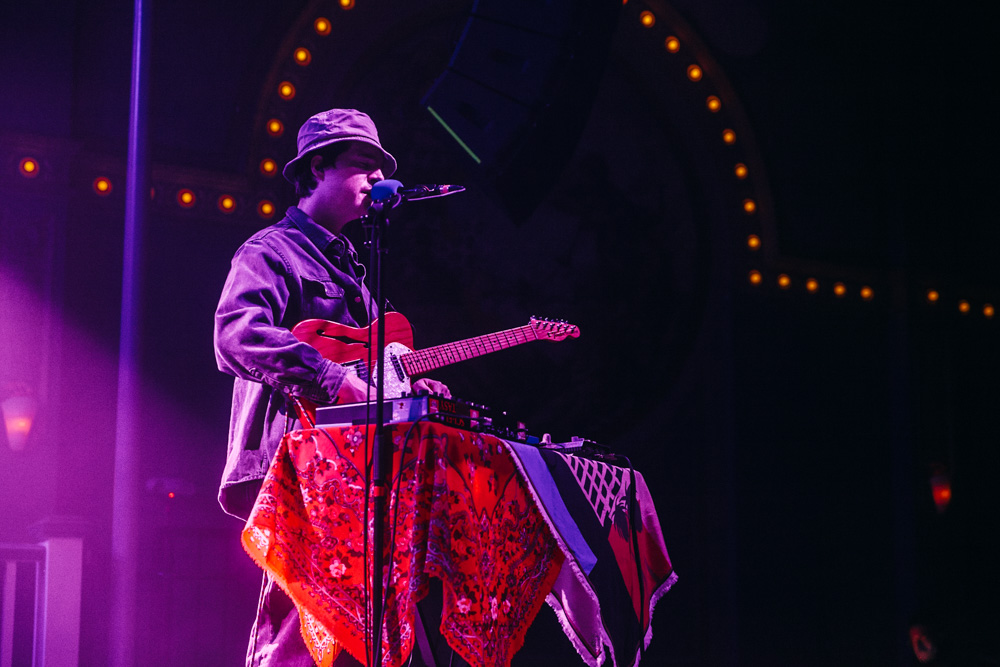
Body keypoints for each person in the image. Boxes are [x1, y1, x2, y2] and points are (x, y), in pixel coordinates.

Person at [214, 108, 448, 666]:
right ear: (317, 169)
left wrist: (415, 387)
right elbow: (235, 335)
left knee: (386, 619)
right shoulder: (269, 251)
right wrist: (331, 378)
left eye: (380, 169)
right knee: (306, 622)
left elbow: (378, 374)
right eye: (362, 165)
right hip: (292, 464)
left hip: (359, 470)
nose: (376, 180)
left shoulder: (358, 274)